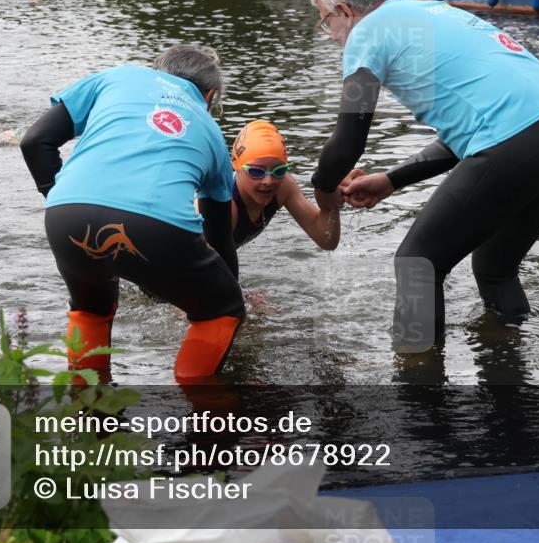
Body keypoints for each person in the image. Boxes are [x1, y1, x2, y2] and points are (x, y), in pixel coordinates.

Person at [308, 0, 539, 353]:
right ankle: (511, 380)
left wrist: (322, 191)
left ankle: (419, 397)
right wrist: (391, 180)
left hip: (516, 140)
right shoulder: (434, 13)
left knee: (417, 263)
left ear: (343, 10)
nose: (332, 34)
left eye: (326, 22)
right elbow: (477, 130)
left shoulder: (366, 32)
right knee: (494, 269)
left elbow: (347, 144)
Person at [20, 45, 244, 383]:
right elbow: (219, 234)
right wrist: (226, 289)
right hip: (156, 227)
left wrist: (67, 203)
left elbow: (34, 141)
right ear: (210, 95)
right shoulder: (211, 132)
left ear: (159, 71)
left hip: (66, 213)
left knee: (90, 309)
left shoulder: (119, 76)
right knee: (223, 310)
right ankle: (200, 414)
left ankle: (88, 413)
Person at [228, 120, 340, 250]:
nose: (268, 181)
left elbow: (326, 239)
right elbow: (205, 262)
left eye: (279, 171)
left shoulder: (283, 187)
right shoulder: (225, 205)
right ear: (237, 167)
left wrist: (328, 195)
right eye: (256, 171)